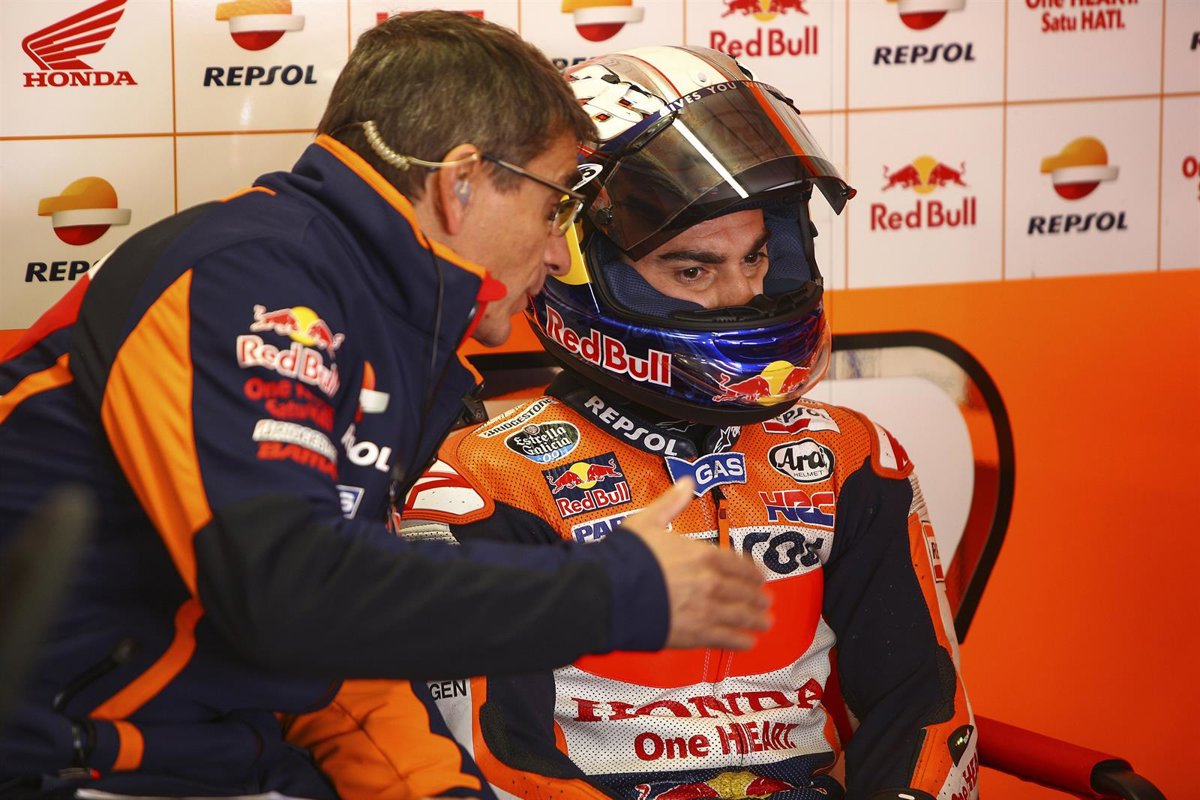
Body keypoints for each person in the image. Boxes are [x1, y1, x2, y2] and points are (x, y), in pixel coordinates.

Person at [0, 17, 770, 797]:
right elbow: (289, 595)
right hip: (62, 763)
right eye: (556, 208)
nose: (554, 252)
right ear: (459, 182)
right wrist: (611, 589)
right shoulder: (253, 276)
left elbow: (340, 647)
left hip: (201, 756)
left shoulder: (386, 323)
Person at [387, 46, 980, 800]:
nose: (741, 294)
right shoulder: (482, 482)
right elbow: (497, 765)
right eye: (693, 269)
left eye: (758, 258)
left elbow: (923, 714)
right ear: (576, 267)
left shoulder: (852, 456)